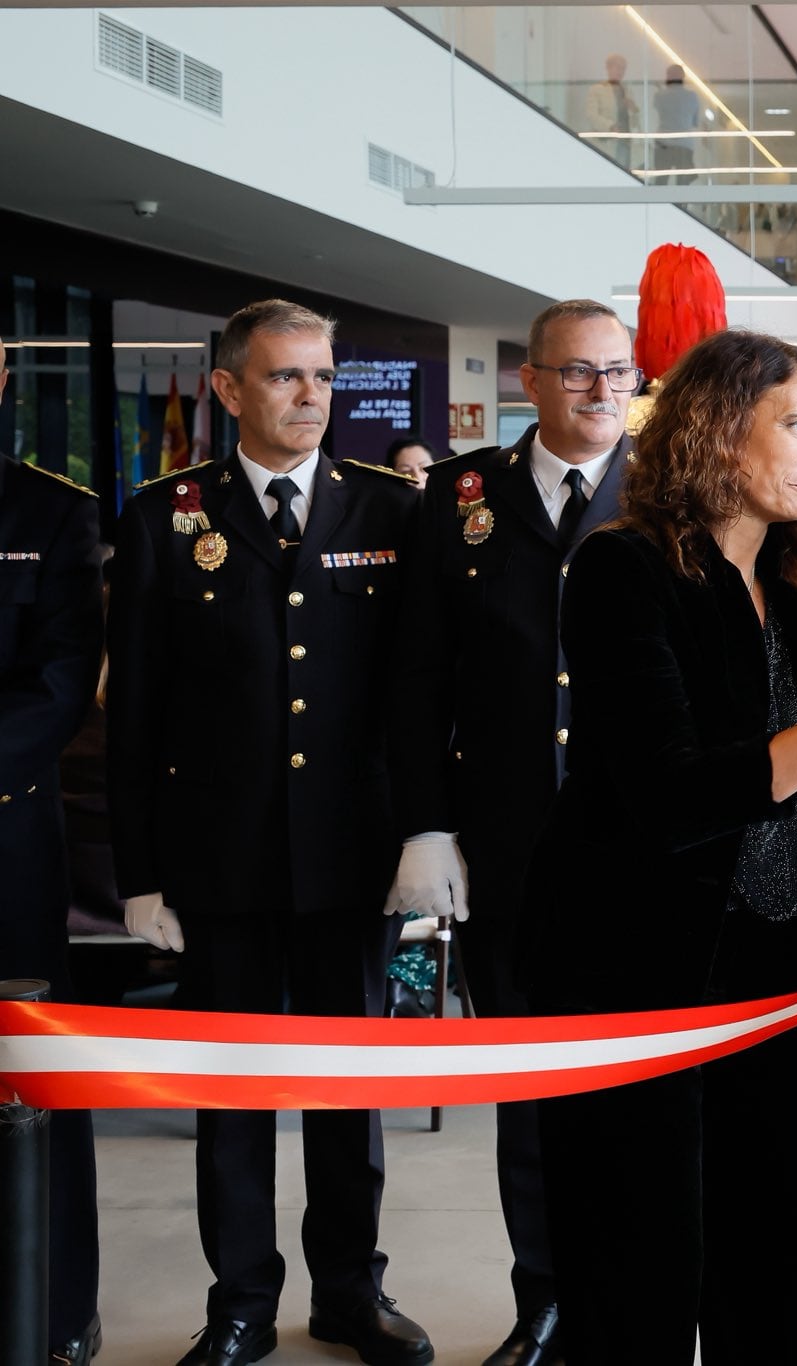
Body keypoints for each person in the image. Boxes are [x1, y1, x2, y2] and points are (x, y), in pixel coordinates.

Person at [519, 327, 797, 1362]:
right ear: (721, 432)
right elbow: (671, 798)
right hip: (623, 965)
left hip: (764, 965)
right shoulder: (619, 571)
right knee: (634, 1266)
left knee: (771, 1249)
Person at [107, 300, 431, 1366]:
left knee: (351, 1094)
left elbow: (419, 697)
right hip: (222, 861)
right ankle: (240, 1300)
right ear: (230, 389)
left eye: (324, 378)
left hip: (353, 855)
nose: (311, 397)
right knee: (231, 1096)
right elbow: (137, 713)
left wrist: (428, 834)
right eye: (287, 377)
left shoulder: (387, 510)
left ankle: (349, 1290)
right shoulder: (165, 517)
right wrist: (140, 873)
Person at [385, 298, 639, 1366]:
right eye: (576, 372)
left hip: (643, 850)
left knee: (641, 1085)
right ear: (527, 382)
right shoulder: (459, 497)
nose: (598, 393)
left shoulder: (673, 490)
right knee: (533, 1094)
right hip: (510, 846)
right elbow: (415, 676)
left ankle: (634, 1298)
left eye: (616, 373)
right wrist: (426, 827)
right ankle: (544, 1299)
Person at [0, 337, 105, 1365]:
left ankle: (58, 1309)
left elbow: (63, 675)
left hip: (7, 841)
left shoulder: (47, 511)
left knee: (34, 1075)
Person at [583, 53, 637, 164]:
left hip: (625, 143)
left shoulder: (627, 91)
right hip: (606, 144)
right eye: (617, 67)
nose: (620, 71)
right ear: (608, 67)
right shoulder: (597, 89)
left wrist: (634, 110)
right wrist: (610, 126)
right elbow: (591, 115)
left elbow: (636, 122)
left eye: (623, 68)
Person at [652, 63, 700, 172]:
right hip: (684, 143)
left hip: (663, 143)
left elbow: (658, 110)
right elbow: (695, 122)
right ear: (683, 77)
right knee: (683, 182)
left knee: (661, 181)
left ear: (668, 77)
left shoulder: (659, 95)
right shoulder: (692, 96)